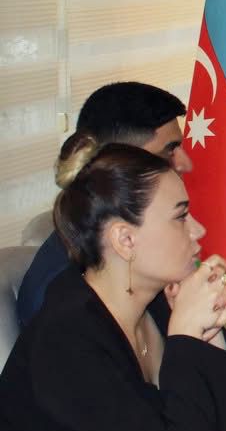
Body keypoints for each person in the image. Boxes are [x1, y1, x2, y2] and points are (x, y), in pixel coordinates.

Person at [0, 141, 226, 431]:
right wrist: (186, 336)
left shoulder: (153, 305)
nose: (198, 230)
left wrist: (209, 332)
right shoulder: (67, 340)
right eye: (181, 217)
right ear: (125, 239)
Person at [17, 82, 194, 328]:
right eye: (169, 151)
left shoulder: (138, 257)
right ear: (120, 162)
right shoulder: (62, 302)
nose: (185, 164)